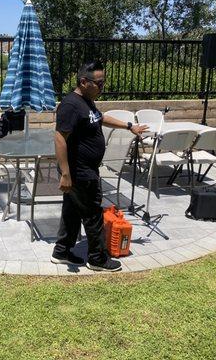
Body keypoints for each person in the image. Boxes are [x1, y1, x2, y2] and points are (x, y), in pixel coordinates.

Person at [51, 61, 148, 272]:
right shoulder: (70, 105)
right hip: (79, 171)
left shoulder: (86, 102)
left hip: (84, 169)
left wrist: (130, 126)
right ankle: (97, 258)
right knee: (93, 213)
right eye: (99, 83)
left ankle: (62, 251)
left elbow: (100, 118)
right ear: (84, 82)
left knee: (73, 210)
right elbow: (59, 138)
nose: (102, 87)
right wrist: (66, 173)